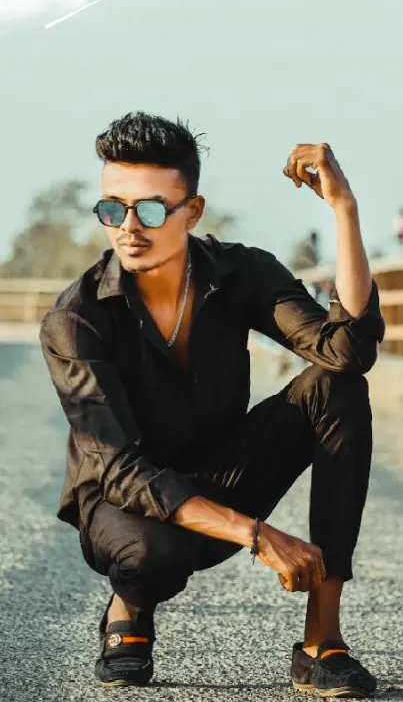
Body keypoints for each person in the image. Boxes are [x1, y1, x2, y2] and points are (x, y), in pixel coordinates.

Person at [40, 113, 385, 695]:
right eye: (111, 209)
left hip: (224, 472)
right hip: (128, 507)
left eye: (150, 209)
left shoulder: (240, 273)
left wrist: (343, 208)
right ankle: (130, 607)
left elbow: (346, 351)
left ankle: (321, 640)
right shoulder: (78, 318)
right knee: (152, 554)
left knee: (340, 389)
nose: (128, 227)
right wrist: (258, 534)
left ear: (192, 213)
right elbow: (121, 471)